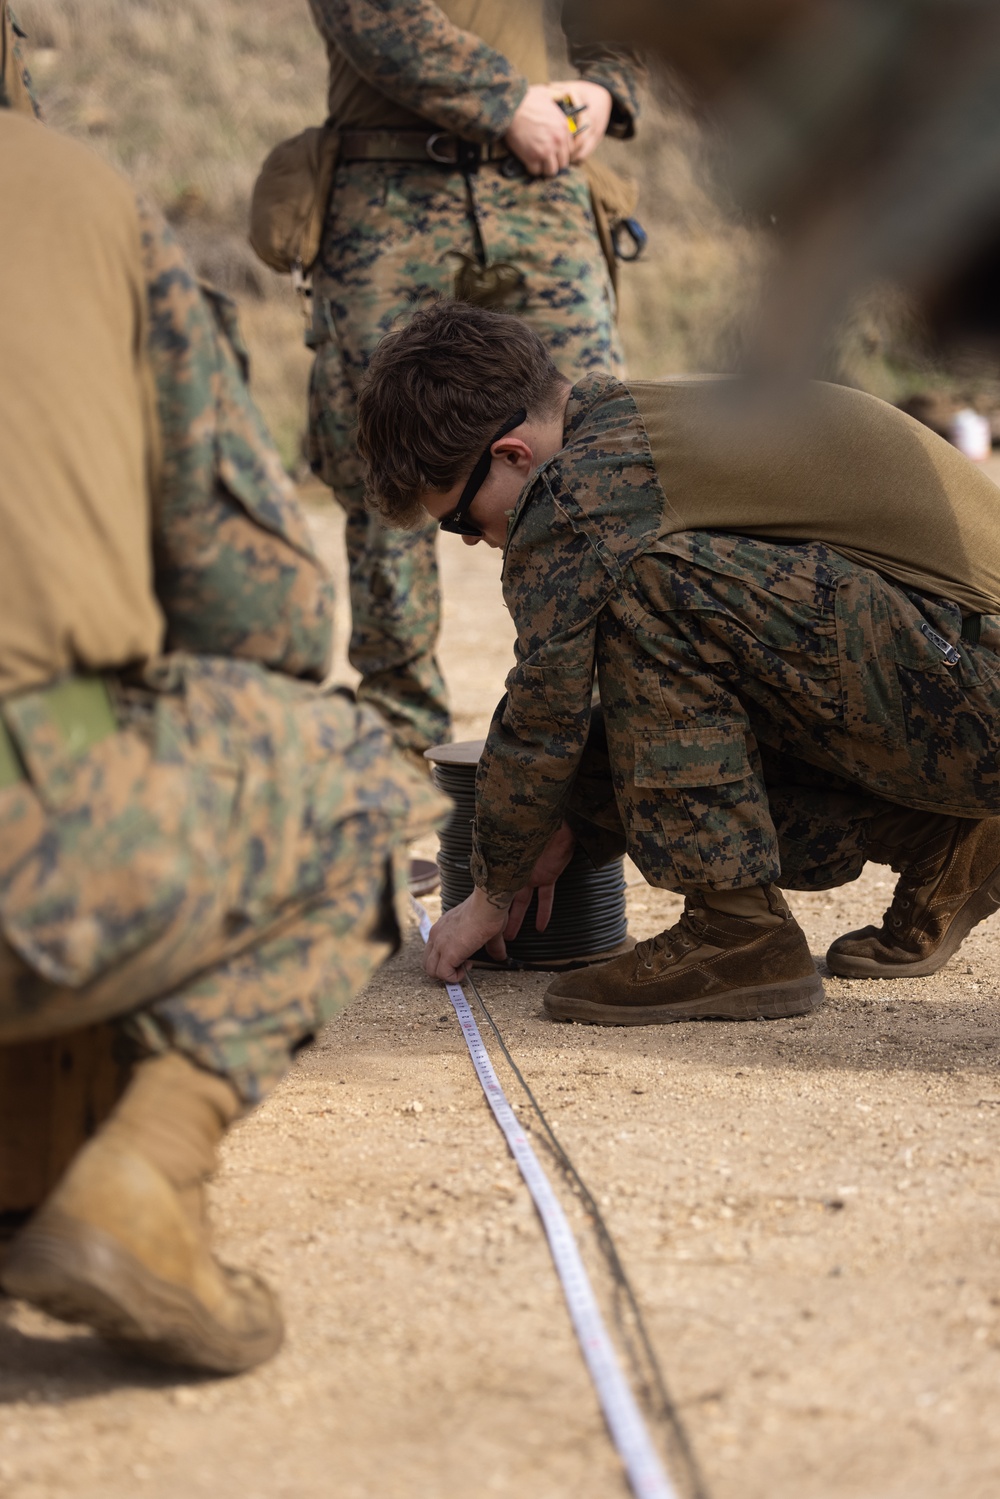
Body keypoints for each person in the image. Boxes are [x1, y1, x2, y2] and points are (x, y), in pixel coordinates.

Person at [0, 107, 445, 1371]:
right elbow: (266, 615)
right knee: (354, 773)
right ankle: (141, 1183)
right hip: (25, 843)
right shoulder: (75, 194)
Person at [356, 301, 1000, 1022]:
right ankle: (949, 836)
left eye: (461, 519)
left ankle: (736, 935)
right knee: (607, 753)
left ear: (512, 455)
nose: (473, 540)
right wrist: (562, 811)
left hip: (979, 686)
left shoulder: (581, 489)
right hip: (957, 678)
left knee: (649, 594)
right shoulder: (626, 422)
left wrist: (490, 892)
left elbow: (543, 711)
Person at [305, 0, 642, 761]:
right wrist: (503, 102)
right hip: (389, 186)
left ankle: (613, 733)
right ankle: (404, 751)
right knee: (389, 466)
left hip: (543, 182)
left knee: (601, 449)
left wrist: (609, 87)